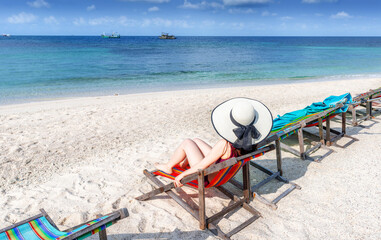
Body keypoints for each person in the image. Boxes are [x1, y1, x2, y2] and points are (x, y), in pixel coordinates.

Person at [155, 97, 273, 188]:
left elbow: (201, 166)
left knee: (187, 142)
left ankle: (169, 166)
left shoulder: (225, 144)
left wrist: (182, 175)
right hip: (220, 172)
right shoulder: (252, 141)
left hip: (206, 177)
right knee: (196, 141)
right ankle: (182, 164)